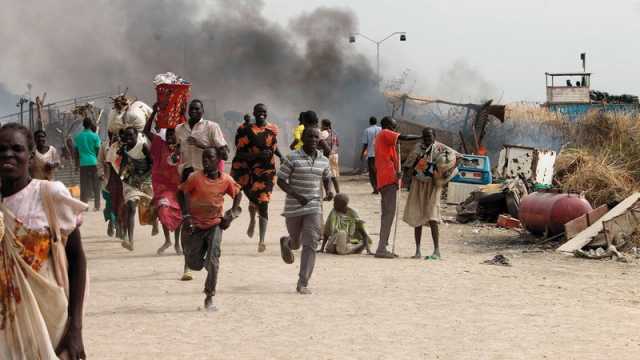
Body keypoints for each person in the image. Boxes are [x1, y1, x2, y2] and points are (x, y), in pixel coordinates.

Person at [0, 123, 88, 359]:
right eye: (2, 149)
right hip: (6, 324)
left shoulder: (50, 194)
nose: (8, 154)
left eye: (16, 149)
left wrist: (76, 329)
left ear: (30, 156)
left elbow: (77, 259)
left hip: (51, 319)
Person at [180, 147, 242, 310]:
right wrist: (186, 216)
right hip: (195, 225)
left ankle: (209, 296)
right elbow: (183, 192)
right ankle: (203, 261)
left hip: (215, 224)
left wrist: (232, 213)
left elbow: (238, 193)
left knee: (214, 260)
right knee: (194, 264)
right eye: (204, 158)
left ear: (218, 160)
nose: (206, 160)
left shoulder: (226, 180)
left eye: (210, 157)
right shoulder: (195, 178)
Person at [277, 121, 334, 295]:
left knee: (311, 242)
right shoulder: (292, 157)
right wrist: (296, 195)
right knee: (296, 243)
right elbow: (280, 180)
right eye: (310, 136)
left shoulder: (323, 160)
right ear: (302, 138)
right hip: (294, 207)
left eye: (316, 137)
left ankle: (303, 282)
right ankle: (287, 242)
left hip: (314, 206)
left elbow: (327, 177)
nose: (313, 139)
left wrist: (330, 190)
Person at [176, 99, 229, 280]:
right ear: (187, 110)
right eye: (192, 109)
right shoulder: (179, 129)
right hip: (187, 176)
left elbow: (225, 153)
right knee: (187, 220)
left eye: (198, 109)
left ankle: (208, 257)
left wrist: (202, 145)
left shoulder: (212, 127)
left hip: (207, 180)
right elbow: (179, 151)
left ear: (203, 111)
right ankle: (187, 266)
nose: (194, 111)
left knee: (207, 220)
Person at [231, 103, 282, 253]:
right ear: (254, 113)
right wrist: (258, 155)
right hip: (247, 170)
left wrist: (281, 156)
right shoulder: (245, 130)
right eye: (259, 112)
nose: (262, 114)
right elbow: (239, 153)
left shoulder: (272, 129)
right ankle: (253, 218)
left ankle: (262, 240)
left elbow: (273, 145)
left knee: (264, 201)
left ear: (267, 113)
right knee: (254, 199)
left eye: (264, 112)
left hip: (267, 171)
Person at [402, 128, 460, 260]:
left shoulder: (441, 148)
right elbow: (409, 164)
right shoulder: (417, 148)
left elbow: (458, 157)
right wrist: (406, 176)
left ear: (434, 136)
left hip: (433, 185)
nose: (427, 139)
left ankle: (437, 251)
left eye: (430, 136)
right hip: (418, 183)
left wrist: (448, 172)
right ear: (422, 137)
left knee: (433, 216)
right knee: (417, 215)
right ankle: (417, 251)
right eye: (425, 137)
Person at [374, 116, 420, 259]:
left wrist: (397, 172)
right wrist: (420, 136)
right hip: (387, 179)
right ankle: (381, 248)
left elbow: (391, 160)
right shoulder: (385, 133)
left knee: (387, 214)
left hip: (388, 178)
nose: (395, 130)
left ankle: (383, 245)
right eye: (394, 127)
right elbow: (404, 137)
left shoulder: (386, 140)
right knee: (388, 214)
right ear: (387, 126)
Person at [144, 105, 183, 255]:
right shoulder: (159, 144)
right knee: (163, 209)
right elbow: (146, 131)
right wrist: (153, 112)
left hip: (178, 186)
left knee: (178, 213)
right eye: (168, 134)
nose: (170, 137)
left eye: (173, 134)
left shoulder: (181, 146)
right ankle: (167, 240)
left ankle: (177, 244)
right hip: (162, 186)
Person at [119, 127, 153, 251]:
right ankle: (130, 240)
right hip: (130, 180)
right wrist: (121, 173)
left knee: (152, 206)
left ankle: (154, 224)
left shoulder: (143, 146)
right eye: (126, 136)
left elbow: (152, 164)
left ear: (136, 135)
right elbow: (123, 163)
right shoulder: (124, 149)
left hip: (146, 179)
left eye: (131, 136)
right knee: (131, 207)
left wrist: (143, 177)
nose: (128, 139)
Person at [74, 117, 101, 211]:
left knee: (84, 185)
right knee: (96, 185)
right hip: (93, 162)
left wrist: (76, 165)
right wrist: (95, 158)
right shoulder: (95, 136)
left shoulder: (78, 137)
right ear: (90, 125)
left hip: (83, 164)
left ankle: (84, 206)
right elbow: (98, 150)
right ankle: (97, 206)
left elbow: (76, 152)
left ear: (83, 125)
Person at [97, 132, 117, 237]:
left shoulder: (123, 144)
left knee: (119, 203)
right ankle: (111, 221)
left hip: (121, 179)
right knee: (110, 203)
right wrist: (100, 173)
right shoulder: (104, 145)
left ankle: (116, 223)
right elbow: (99, 161)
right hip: (107, 179)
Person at [361, 116, 381, 194]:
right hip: (380, 154)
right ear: (376, 122)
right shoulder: (381, 129)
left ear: (370, 122)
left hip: (371, 154)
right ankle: (379, 187)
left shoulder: (367, 130)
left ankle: (375, 188)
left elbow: (365, 144)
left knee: (372, 172)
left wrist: (362, 153)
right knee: (378, 171)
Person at [320, 118, 340, 194]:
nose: (320, 126)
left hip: (327, 155)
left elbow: (319, 143)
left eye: (321, 124)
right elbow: (338, 144)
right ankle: (338, 193)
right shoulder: (334, 133)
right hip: (335, 155)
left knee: (326, 175)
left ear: (324, 125)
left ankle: (328, 193)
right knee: (334, 175)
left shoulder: (324, 133)